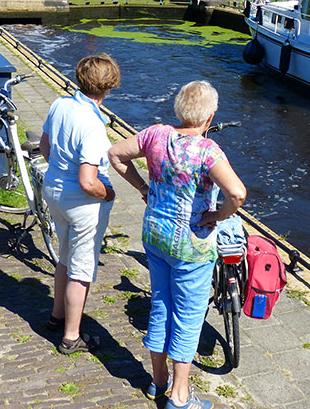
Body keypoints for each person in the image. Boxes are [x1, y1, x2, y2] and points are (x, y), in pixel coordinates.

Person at [109, 81, 247, 409]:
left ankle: (158, 382)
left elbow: (115, 154)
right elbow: (238, 194)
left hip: (155, 235)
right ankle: (180, 396)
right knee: (187, 315)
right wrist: (217, 213)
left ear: (178, 109)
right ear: (210, 115)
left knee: (160, 303)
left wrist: (144, 189)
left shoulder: (156, 134)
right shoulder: (207, 151)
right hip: (192, 247)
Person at [40, 53, 120, 354]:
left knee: (64, 255)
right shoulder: (94, 126)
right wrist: (108, 194)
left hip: (54, 190)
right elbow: (89, 181)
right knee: (82, 269)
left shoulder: (60, 104)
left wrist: (61, 172)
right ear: (109, 88)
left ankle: (56, 316)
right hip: (81, 202)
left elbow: (45, 146)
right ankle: (71, 336)